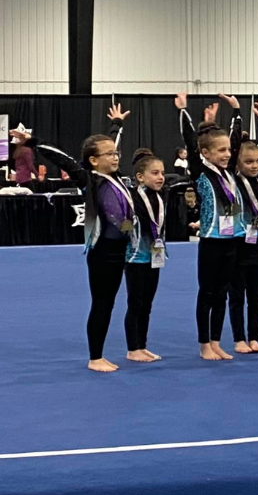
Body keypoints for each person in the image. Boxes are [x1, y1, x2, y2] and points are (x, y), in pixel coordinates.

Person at [16, 105, 133, 372]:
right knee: (102, 303)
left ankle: (102, 353)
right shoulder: (89, 179)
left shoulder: (115, 178)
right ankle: (95, 357)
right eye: (110, 155)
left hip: (121, 248)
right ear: (93, 160)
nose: (115, 158)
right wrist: (32, 142)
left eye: (117, 154)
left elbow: (111, 143)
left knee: (111, 301)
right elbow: (62, 159)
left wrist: (117, 124)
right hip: (103, 251)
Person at [177, 93, 244, 361]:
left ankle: (216, 341)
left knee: (222, 293)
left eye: (228, 150)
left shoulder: (229, 172)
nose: (228, 154)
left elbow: (236, 142)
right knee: (207, 292)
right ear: (205, 154)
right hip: (211, 240)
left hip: (232, 239)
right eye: (221, 151)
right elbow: (190, 143)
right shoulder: (201, 172)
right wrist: (183, 112)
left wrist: (238, 111)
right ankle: (204, 343)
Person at [228, 98, 258, 355]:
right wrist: (237, 112)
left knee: (256, 295)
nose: (255, 165)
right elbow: (233, 147)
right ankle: (239, 338)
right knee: (236, 294)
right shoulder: (232, 180)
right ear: (237, 163)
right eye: (248, 162)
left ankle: (255, 337)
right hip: (238, 242)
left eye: (257, 161)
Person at [125, 148, 170, 363]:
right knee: (135, 303)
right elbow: (122, 222)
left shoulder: (161, 196)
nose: (160, 177)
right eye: (155, 173)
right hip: (135, 256)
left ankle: (142, 345)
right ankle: (132, 348)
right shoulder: (131, 198)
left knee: (147, 305)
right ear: (140, 177)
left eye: (162, 173)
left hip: (154, 256)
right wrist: (125, 227)